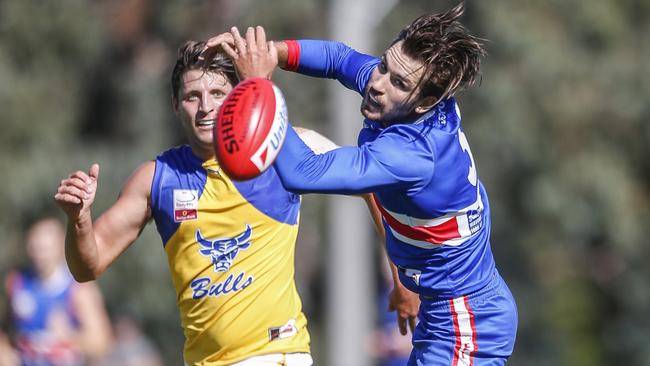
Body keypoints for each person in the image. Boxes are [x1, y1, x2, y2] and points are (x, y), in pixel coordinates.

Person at [53, 39, 405, 366]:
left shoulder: (284, 150)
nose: (205, 107)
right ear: (176, 104)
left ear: (237, 96)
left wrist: (401, 280)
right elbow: (87, 267)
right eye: (192, 96)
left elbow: (371, 185)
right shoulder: (157, 178)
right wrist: (79, 219)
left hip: (278, 354)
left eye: (218, 92)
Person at [202, 2, 518, 365]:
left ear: (427, 101)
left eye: (397, 82)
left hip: (466, 322)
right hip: (445, 309)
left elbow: (304, 172)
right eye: (383, 65)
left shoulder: (411, 155)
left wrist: (258, 86)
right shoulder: (406, 90)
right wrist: (270, 53)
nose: (377, 83)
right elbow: (339, 58)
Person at [2, 218, 112, 366]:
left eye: (46, 248)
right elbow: (5, 331)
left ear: (61, 246)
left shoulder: (79, 289)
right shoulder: (16, 283)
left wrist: (69, 335)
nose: (41, 255)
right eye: (36, 247)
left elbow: (102, 343)